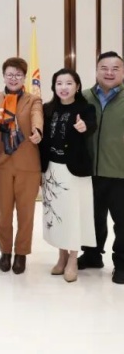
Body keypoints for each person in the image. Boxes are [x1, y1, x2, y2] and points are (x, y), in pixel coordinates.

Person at [39, 68, 97, 283]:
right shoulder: (47, 109)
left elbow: (91, 125)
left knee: (74, 214)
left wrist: (84, 126)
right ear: (54, 86)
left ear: (77, 86)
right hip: (52, 170)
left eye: (69, 83)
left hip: (75, 171)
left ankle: (73, 258)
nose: (63, 87)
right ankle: (61, 255)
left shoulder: (86, 108)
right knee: (57, 214)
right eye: (59, 83)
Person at [0, 57, 43, 275]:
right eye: (10, 74)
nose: (13, 78)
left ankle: (21, 253)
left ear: (24, 77)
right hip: (1, 164)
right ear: (3, 76)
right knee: (3, 213)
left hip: (28, 165)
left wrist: (37, 131)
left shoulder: (33, 100)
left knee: (26, 213)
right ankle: (5, 251)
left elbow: (37, 116)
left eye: (18, 75)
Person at [78, 51, 124, 284]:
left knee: (122, 222)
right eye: (104, 68)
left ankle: (122, 264)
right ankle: (92, 255)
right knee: (92, 218)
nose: (109, 73)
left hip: (120, 172)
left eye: (115, 68)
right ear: (96, 71)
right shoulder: (84, 97)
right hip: (89, 173)